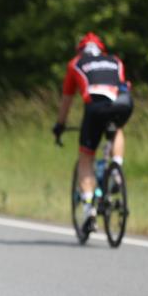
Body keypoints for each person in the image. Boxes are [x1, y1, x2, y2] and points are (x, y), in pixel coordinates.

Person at [53, 32, 133, 231]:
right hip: (124, 104)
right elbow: (121, 85)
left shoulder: (75, 64)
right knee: (117, 129)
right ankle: (116, 167)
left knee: (86, 157)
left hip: (96, 106)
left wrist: (60, 125)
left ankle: (89, 209)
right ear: (101, 50)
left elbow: (67, 100)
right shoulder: (115, 61)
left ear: (80, 51)